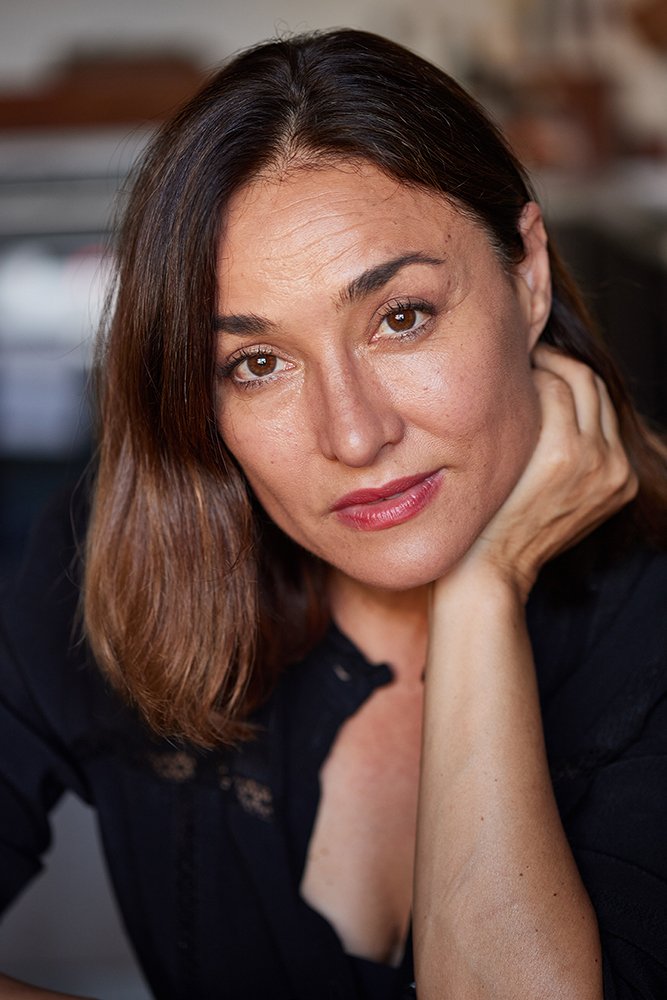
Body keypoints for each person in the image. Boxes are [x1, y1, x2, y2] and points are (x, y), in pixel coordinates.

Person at [1, 27, 666, 1000]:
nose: (353, 435)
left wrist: (480, 592)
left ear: (526, 275)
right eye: (256, 363)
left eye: (401, 316)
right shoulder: (111, 560)